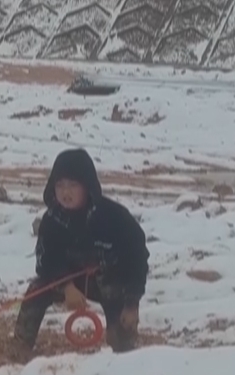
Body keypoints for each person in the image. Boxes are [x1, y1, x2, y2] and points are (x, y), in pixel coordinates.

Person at [11, 147, 150, 357]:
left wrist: (132, 303)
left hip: (112, 281)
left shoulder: (115, 217)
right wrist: (67, 287)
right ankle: (20, 346)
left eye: (72, 185)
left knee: (122, 334)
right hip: (70, 280)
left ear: (87, 186)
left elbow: (137, 258)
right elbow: (46, 262)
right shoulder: (52, 220)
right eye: (60, 185)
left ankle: (124, 352)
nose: (65, 192)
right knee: (37, 289)